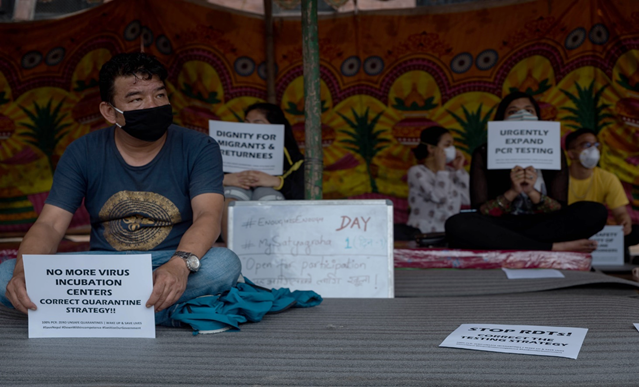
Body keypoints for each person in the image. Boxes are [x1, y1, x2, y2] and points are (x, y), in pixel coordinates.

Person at [0, 52, 241, 326]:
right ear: (109, 111)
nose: (152, 105)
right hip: (104, 268)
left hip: (169, 260)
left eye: (160, 95)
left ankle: (96, 311)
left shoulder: (199, 147)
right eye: (136, 99)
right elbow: (50, 225)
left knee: (225, 264)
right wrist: (23, 271)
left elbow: (208, 216)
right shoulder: (82, 151)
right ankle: (148, 309)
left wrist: (178, 266)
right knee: (6, 275)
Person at [445, 91, 607, 252]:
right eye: (513, 112)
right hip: (502, 225)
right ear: (501, 119)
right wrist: (513, 192)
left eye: (529, 111)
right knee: (458, 223)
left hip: (543, 225)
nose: (522, 115)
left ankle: (516, 245)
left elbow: (559, 208)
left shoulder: (553, 152)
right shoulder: (484, 153)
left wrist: (532, 192)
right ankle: (553, 247)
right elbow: (481, 210)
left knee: (595, 212)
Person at [221, 102, 304, 241]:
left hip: (282, 223)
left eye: (258, 122)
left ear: (276, 126)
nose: (250, 128)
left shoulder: (294, 160)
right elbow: (195, 184)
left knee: (268, 197)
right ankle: (231, 253)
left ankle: (268, 252)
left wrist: (277, 182)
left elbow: (306, 196)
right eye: (246, 122)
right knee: (230, 200)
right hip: (226, 224)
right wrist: (225, 179)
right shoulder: (225, 152)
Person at [565, 128, 639, 261]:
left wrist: (624, 222)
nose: (593, 150)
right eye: (586, 145)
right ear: (571, 153)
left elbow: (620, 213)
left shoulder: (607, 178)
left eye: (596, 145)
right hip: (566, 233)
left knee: (636, 232)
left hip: (596, 234)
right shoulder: (559, 178)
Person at [406, 126, 469, 234]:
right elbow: (439, 197)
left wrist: (459, 169)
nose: (452, 149)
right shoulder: (417, 172)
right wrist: (441, 169)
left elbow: (468, 199)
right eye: (447, 145)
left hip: (448, 232)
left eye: (452, 145)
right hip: (423, 233)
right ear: (431, 148)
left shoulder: (451, 172)